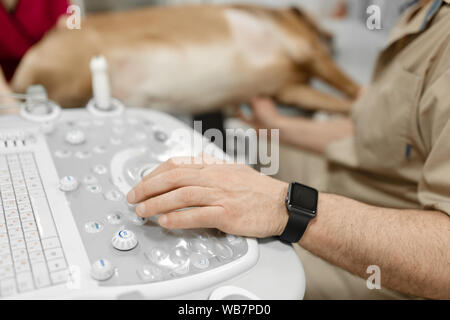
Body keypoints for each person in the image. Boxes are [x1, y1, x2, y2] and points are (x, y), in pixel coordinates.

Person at [127, 0, 450, 300]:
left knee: (195, 276)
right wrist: (276, 127)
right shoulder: (427, 10)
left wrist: (284, 208)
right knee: (219, 153)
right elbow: (392, 133)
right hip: (349, 179)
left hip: (393, 244)